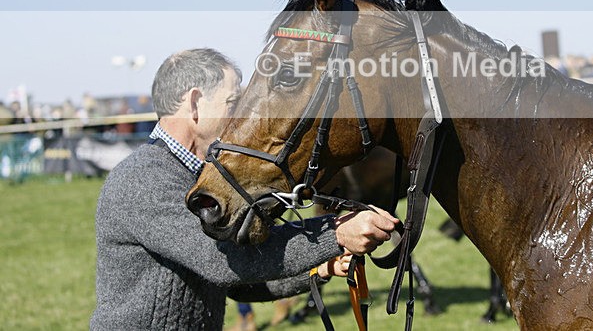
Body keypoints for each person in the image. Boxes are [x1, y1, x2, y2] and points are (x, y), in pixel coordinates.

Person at [91, 48, 399, 330]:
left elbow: (240, 283)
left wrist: (320, 268)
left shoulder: (199, 177)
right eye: (233, 102)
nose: (243, 116)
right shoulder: (143, 180)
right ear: (196, 103)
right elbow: (221, 260)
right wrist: (334, 232)